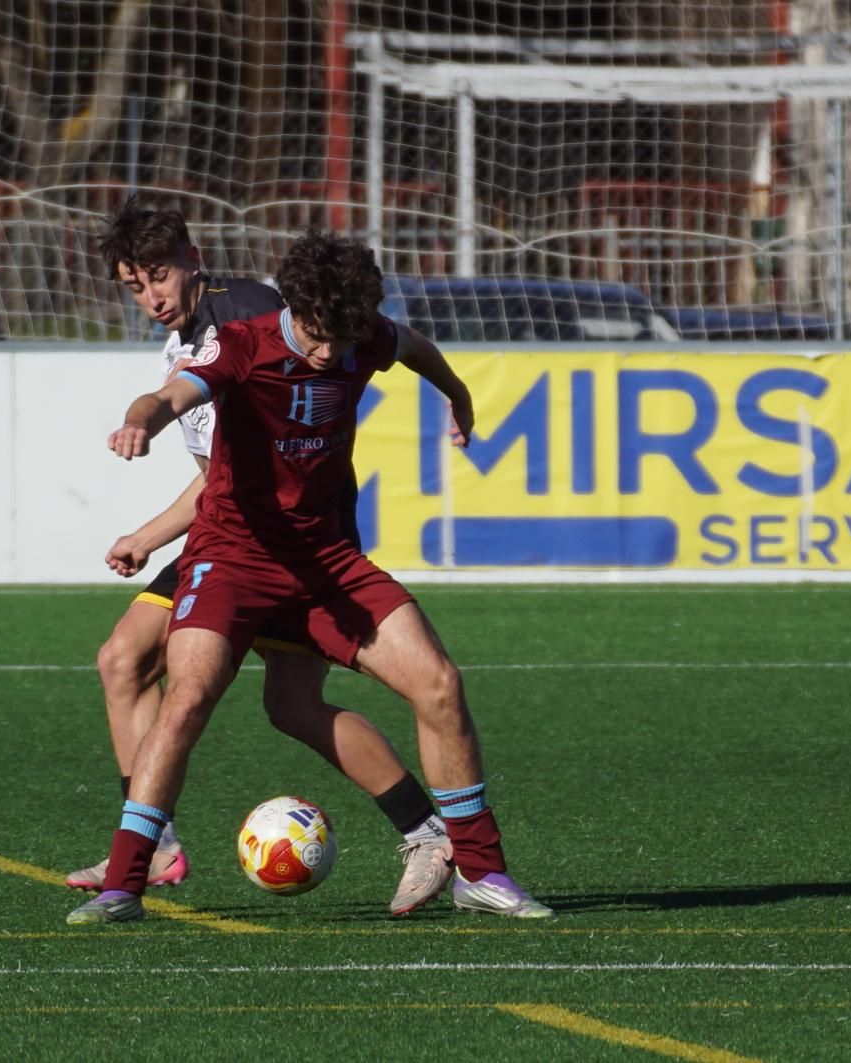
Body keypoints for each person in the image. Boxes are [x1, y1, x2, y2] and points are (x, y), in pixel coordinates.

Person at [68, 229, 552, 924]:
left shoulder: (362, 335)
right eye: (319, 336)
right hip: (233, 558)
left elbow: (413, 346)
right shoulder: (242, 344)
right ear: (296, 306)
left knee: (439, 683)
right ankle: (124, 884)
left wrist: (458, 394)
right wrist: (136, 421)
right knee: (188, 696)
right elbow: (170, 396)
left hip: (327, 560)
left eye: (343, 339)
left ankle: (480, 871)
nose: (330, 353)